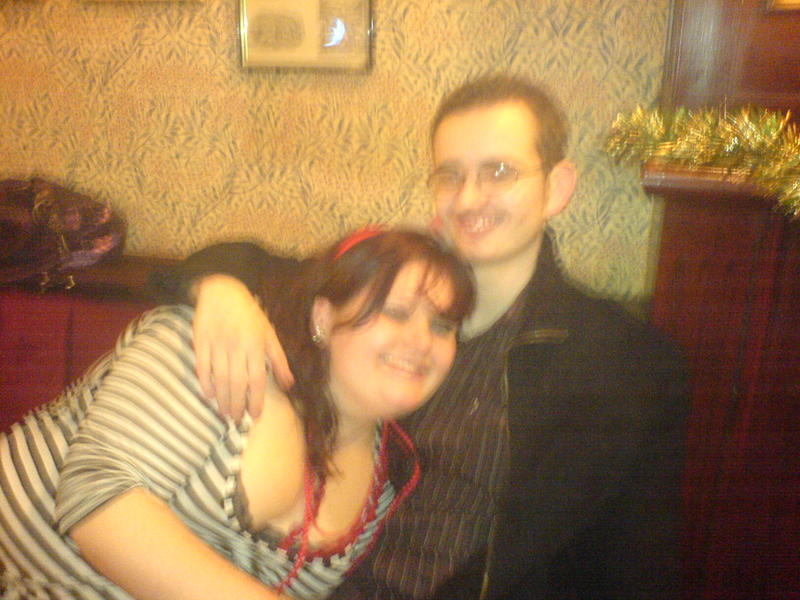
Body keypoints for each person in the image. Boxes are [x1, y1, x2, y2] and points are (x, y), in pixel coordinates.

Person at [149, 74, 689, 599]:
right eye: (450, 175)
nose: (469, 199)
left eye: (500, 172)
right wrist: (219, 287)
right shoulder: (384, 294)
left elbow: (632, 568)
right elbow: (257, 264)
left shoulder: (624, 366)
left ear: (557, 187)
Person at [0, 228, 476, 600]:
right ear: (323, 317)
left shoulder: (387, 488)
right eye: (395, 312)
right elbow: (99, 503)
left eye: (442, 325)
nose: (421, 342)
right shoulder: (225, 350)